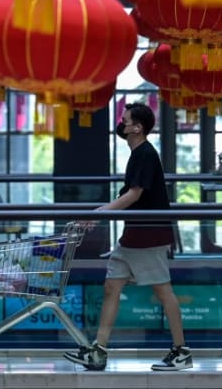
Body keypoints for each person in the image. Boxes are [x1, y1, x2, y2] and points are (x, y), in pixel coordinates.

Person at [64, 102, 191, 372]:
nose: (121, 124)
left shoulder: (144, 153)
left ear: (138, 127)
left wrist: (97, 215)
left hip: (148, 233)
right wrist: (99, 210)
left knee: (163, 290)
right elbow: (128, 196)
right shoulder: (137, 153)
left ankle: (181, 351)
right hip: (134, 233)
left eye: (125, 120)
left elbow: (135, 195)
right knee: (111, 287)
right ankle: (98, 351)